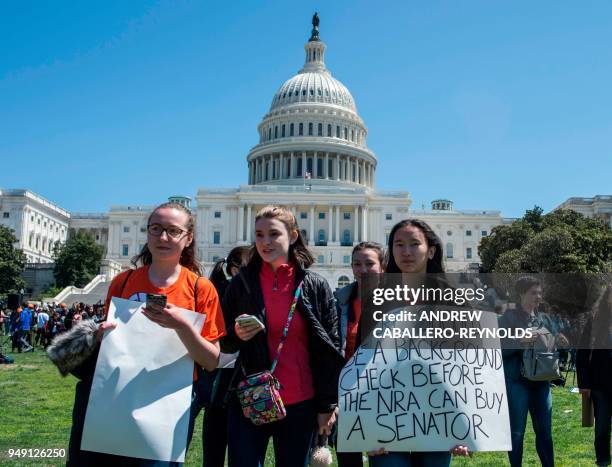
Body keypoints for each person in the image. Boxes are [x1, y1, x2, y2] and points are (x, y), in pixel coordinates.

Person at [59, 201, 226, 466]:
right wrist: (99, 335)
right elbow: (108, 345)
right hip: (116, 393)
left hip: (167, 402)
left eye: (173, 231)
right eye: (156, 229)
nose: (163, 237)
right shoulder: (123, 281)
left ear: (188, 237)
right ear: (147, 233)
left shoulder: (200, 289)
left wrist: (181, 326)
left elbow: (211, 360)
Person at [221, 205, 344, 467]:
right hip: (251, 396)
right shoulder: (241, 284)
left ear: (293, 235)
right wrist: (236, 334)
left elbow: (329, 349)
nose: (266, 242)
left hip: (300, 401)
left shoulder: (314, 285)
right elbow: (223, 341)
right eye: (259, 234)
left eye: (274, 234)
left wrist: (327, 406)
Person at [367, 219, 469, 467]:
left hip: (439, 418)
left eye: (414, 244)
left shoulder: (453, 300)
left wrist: (464, 425)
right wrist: (364, 426)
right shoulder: (377, 299)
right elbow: (364, 363)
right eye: (399, 244)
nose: (406, 252)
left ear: (431, 250)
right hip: (387, 419)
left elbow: (468, 365)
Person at [499, 276, 564, 467]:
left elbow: (549, 347)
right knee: (517, 432)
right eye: (533, 292)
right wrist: (521, 341)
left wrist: (558, 341)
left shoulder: (544, 319)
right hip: (517, 383)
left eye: (539, 292)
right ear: (521, 294)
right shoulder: (507, 318)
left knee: (545, 432)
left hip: (542, 382)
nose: (538, 296)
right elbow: (499, 349)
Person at [198, 246, 250, 467]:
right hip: (224, 371)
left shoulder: (234, 289)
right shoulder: (226, 292)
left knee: (220, 440)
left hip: (228, 373)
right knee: (220, 435)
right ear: (234, 269)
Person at [334, 241, 385, 467]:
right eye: (357, 264)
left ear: (382, 266)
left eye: (369, 263)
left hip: (386, 393)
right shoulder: (339, 301)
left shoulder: (397, 302)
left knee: (383, 456)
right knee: (348, 460)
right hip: (348, 393)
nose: (362, 270)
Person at [577, 285, 611, 467]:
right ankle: (603, 461)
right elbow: (582, 353)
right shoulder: (596, 320)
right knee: (602, 428)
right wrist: (584, 383)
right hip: (600, 384)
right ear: (607, 298)